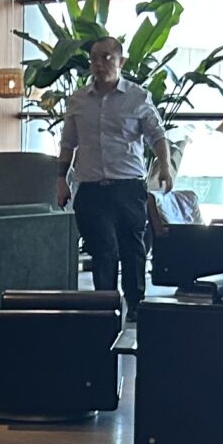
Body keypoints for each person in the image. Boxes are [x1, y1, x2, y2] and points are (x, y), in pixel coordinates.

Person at [54, 35, 167, 313]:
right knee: (102, 249)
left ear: (121, 61)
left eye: (107, 57)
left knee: (132, 249)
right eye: (94, 58)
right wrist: (61, 179)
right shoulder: (78, 100)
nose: (100, 63)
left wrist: (165, 166)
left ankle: (136, 305)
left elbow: (157, 135)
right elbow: (68, 143)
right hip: (91, 188)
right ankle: (105, 309)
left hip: (128, 187)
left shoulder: (137, 97)